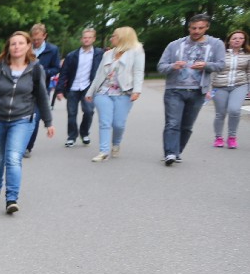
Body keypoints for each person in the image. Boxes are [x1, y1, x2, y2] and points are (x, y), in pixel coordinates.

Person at [0, 31, 55, 214]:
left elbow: (42, 96)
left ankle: (11, 199)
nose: (17, 47)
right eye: (13, 44)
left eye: (21, 43)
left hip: (22, 120)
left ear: (28, 46)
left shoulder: (35, 69)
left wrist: (48, 122)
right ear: (8, 47)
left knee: (13, 158)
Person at [157, 14, 227, 165]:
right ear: (189, 28)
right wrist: (173, 66)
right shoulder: (174, 45)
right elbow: (161, 66)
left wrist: (206, 65)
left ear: (207, 27)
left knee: (187, 126)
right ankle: (170, 153)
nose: (196, 31)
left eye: (200, 28)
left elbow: (221, 65)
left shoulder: (216, 44)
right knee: (172, 123)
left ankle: (177, 151)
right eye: (193, 28)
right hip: (174, 90)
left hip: (198, 91)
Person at [85, 27, 145, 162]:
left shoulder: (136, 52)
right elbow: (99, 74)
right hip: (103, 92)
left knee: (118, 124)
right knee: (104, 122)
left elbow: (138, 72)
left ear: (123, 38)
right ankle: (103, 151)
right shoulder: (108, 54)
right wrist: (90, 91)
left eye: (114, 36)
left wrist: (137, 90)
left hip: (124, 93)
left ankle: (116, 143)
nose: (111, 38)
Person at [55, 28, 103, 147]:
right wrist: (59, 90)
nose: (87, 40)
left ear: (94, 39)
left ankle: (84, 133)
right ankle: (72, 137)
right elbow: (63, 73)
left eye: (89, 37)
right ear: (81, 39)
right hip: (73, 87)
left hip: (88, 87)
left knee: (89, 111)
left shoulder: (99, 54)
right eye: (85, 37)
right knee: (72, 113)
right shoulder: (72, 55)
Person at [23, 23, 60, 157]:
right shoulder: (26, 48)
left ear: (45, 36)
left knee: (35, 118)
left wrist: (44, 71)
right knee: (22, 117)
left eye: (38, 39)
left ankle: (28, 147)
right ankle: (19, 143)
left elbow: (56, 68)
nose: (36, 42)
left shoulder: (52, 50)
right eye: (34, 39)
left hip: (42, 88)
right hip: (25, 88)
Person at [208, 29, 249, 149]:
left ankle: (232, 137)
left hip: (240, 85)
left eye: (241, 38)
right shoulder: (220, 53)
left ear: (244, 41)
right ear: (229, 40)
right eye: (234, 38)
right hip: (220, 86)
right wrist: (208, 88)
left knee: (234, 110)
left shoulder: (247, 54)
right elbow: (212, 71)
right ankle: (218, 137)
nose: (237, 40)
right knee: (220, 113)